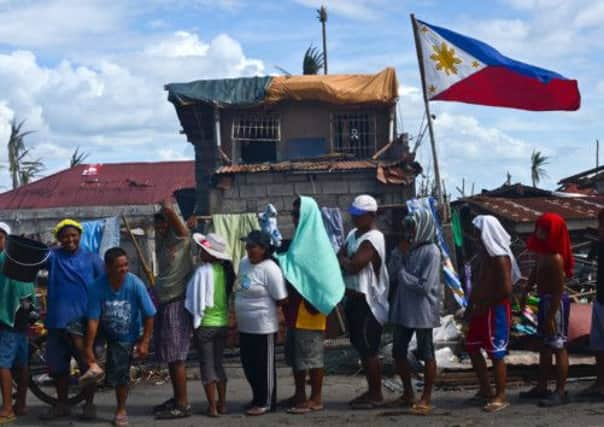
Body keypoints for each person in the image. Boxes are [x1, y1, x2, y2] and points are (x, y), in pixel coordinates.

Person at [278, 197, 345, 414]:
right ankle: (300, 395)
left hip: (310, 308)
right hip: (295, 309)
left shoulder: (316, 243)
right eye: (293, 214)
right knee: (297, 356)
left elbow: (323, 275)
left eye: (298, 214)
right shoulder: (300, 239)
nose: (294, 219)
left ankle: (315, 398)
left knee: (312, 357)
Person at [84, 247, 156, 427]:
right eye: (119, 266)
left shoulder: (135, 284)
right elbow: (93, 319)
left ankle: (121, 409)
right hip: (103, 327)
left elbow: (149, 314)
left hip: (126, 333)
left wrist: (145, 342)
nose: (124, 269)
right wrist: (88, 348)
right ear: (108, 268)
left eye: (126, 265)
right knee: (76, 333)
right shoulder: (96, 286)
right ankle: (88, 400)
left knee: (120, 373)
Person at [41, 219, 104, 420]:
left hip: (83, 324)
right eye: (65, 236)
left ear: (80, 236)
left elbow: (104, 284)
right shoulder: (52, 256)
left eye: (73, 235)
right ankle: (62, 404)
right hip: (57, 321)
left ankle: (89, 405)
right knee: (59, 368)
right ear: (59, 239)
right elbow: (32, 258)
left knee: (87, 366)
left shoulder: (92, 259)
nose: (70, 239)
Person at [465, 215, 521, 412]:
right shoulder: (485, 257)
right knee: (472, 346)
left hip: (494, 309)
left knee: (496, 352)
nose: (475, 236)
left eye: (478, 233)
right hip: (481, 308)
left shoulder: (499, 258)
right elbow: (479, 282)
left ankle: (501, 394)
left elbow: (506, 289)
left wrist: (485, 304)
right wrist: (470, 306)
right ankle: (486, 389)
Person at [338, 195, 389, 409]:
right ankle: (371, 391)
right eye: (354, 214)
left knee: (369, 350)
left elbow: (354, 266)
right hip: (353, 299)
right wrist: (344, 259)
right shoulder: (353, 234)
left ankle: (376, 394)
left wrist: (342, 260)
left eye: (359, 215)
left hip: (369, 303)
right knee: (361, 347)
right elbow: (343, 256)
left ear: (371, 215)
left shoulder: (374, 238)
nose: (355, 219)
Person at [388, 209, 441, 415]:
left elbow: (424, 286)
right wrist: (397, 254)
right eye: (408, 228)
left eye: (412, 227)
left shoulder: (432, 251)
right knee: (398, 351)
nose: (409, 231)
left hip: (423, 311)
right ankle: (408, 393)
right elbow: (391, 274)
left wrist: (402, 273)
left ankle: (426, 397)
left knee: (427, 353)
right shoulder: (407, 249)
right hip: (403, 309)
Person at [520, 212, 574, 407]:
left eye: (543, 229)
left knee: (558, 346)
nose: (539, 231)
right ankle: (542, 386)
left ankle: (560, 391)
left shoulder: (556, 258)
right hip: (544, 300)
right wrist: (526, 290)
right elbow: (535, 271)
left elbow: (559, 289)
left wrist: (551, 316)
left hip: (554, 303)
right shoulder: (543, 253)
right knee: (544, 346)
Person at [235, 230, 287, 416]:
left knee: (263, 366)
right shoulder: (243, 263)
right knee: (249, 365)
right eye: (247, 246)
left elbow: (281, 298)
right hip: (245, 326)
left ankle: (266, 401)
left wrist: (280, 322)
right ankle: (257, 397)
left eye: (252, 246)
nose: (248, 250)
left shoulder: (270, 269)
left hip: (263, 326)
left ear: (264, 249)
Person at [152, 200, 195, 419]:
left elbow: (179, 227)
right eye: (157, 227)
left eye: (164, 226)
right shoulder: (161, 243)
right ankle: (177, 398)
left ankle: (183, 404)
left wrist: (167, 207)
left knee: (177, 356)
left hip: (177, 302)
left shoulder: (181, 240)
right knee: (170, 355)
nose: (160, 230)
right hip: (164, 302)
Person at [185, 233, 235, 417]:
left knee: (207, 366)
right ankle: (222, 404)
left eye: (203, 250)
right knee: (219, 364)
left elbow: (194, 301)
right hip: (221, 324)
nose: (200, 252)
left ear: (210, 254)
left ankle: (212, 407)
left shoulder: (202, 272)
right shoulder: (225, 271)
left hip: (205, 324)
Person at [0, 222, 36, 424]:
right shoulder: (21, 260)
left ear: (6, 239)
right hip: (22, 318)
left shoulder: (3, 259)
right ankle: (20, 404)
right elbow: (27, 293)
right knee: (21, 364)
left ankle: (6, 408)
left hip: (6, 320)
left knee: (2, 364)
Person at [581, 208, 604, 398]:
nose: (599, 228)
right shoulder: (600, 246)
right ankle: (599, 383)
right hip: (600, 300)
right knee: (598, 345)